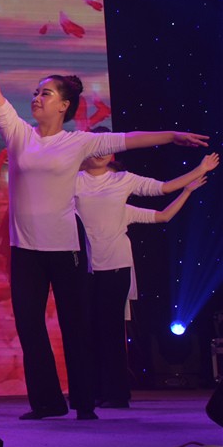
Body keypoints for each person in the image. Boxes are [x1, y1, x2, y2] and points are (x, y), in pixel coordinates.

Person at [0, 31, 209, 420]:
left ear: (64, 105)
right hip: (25, 250)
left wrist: (172, 136)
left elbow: (129, 140)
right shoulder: (17, 133)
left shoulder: (78, 142)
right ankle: (46, 403)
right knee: (30, 328)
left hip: (65, 250)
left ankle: (83, 403)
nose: (37, 97)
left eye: (46, 93)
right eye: (36, 92)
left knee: (75, 327)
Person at [75, 138, 218, 409]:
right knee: (88, 330)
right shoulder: (74, 181)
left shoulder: (123, 181)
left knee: (111, 330)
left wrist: (197, 173)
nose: (102, 154)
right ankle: (94, 391)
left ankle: (117, 394)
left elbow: (163, 193)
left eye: (107, 149)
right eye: (96, 149)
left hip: (116, 266)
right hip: (85, 267)